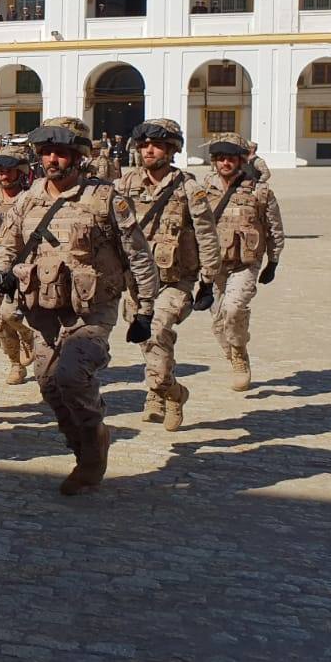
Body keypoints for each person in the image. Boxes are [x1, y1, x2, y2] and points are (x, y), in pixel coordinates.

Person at [0, 117, 158, 496]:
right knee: (47, 383)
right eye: (46, 152)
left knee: (72, 376)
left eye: (61, 153)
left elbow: (138, 255)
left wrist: (145, 310)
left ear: (78, 157)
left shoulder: (106, 199)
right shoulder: (29, 198)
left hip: (92, 309)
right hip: (45, 308)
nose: (52, 159)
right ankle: (81, 442)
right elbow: (6, 243)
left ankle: (92, 452)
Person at [115, 119, 222, 431]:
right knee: (148, 341)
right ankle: (165, 390)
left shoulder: (189, 189)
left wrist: (208, 280)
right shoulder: (125, 186)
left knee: (157, 328)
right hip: (136, 281)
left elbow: (207, 234)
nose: (150, 150)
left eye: (158, 145)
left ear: (172, 150)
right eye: (145, 144)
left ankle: (165, 390)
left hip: (177, 280)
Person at [203, 133, 285, 392]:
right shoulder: (202, 190)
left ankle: (239, 354)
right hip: (213, 265)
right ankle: (232, 353)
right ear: (214, 162)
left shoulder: (260, 192)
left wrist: (273, 261)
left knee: (234, 309)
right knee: (218, 319)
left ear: (241, 161)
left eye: (231, 159)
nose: (226, 163)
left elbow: (274, 227)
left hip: (245, 262)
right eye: (221, 159)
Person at [0, 144, 36, 386]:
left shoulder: (33, 198)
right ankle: (15, 363)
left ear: (21, 172)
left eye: (9, 170)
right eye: (0, 169)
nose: (4, 175)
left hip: (25, 268)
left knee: (14, 314)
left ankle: (29, 336)